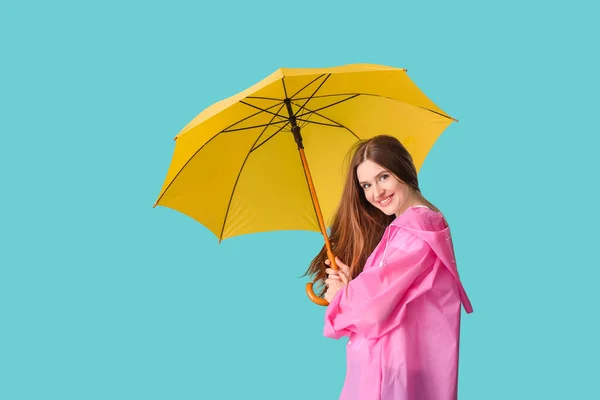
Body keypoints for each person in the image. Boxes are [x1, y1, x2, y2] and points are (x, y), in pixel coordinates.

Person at [305, 135, 473, 400]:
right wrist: (352, 287)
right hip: (398, 371)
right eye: (366, 185)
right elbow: (388, 294)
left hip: (391, 378)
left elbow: (372, 311)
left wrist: (342, 294)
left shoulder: (417, 228)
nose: (376, 193)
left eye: (383, 177)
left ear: (403, 169)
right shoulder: (411, 227)